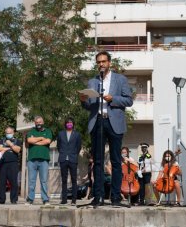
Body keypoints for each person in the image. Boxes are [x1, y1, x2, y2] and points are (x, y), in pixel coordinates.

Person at [79, 51, 133, 207]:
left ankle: (115, 197)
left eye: (103, 61)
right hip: (97, 122)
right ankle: (98, 197)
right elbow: (89, 106)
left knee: (116, 161)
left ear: (109, 63)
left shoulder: (120, 79)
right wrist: (83, 101)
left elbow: (129, 100)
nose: (101, 64)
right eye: (98, 62)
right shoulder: (92, 82)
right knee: (97, 161)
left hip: (114, 122)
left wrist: (113, 99)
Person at [25, 116, 52, 205]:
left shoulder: (48, 131)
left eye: (40, 122)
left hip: (44, 160)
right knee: (31, 181)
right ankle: (30, 199)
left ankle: (45, 199)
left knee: (44, 180)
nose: (38, 124)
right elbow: (29, 140)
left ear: (43, 122)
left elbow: (48, 141)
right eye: (37, 122)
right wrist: (41, 138)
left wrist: (35, 141)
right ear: (34, 123)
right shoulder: (31, 132)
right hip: (32, 160)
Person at [57, 117, 82, 205]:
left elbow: (79, 147)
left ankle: (74, 199)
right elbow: (58, 146)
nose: (69, 124)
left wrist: (74, 154)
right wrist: (64, 153)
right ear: (65, 124)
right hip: (63, 158)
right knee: (64, 180)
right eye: (68, 122)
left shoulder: (77, 134)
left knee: (74, 179)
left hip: (73, 158)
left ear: (73, 124)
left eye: (71, 122)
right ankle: (64, 199)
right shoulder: (60, 134)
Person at [0, 127, 22, 204]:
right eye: (7, 133)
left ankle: (14, 199)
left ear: (13, 133)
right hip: (3, 163)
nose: (8, 134)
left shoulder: (17, 141)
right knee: (1, 182)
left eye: (10, 133)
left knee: (14, 182)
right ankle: (1, 199)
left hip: (13, 163)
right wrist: (10, 148)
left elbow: (17, 150)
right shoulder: (2, 140)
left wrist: (10, 145)